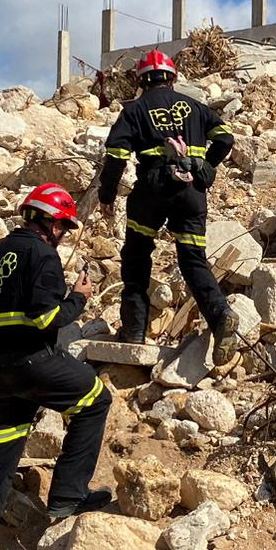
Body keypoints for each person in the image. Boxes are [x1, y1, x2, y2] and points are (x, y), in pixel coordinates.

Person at [0, 182, 109, 550]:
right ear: (50, 221)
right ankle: (67, 497)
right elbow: (46, 320)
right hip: (33, 364)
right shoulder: (43, 256)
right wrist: (78, 298)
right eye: (64, 227)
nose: (65, 234)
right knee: (95, 399)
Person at [98, 49, 239, 363]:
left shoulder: (134, 112)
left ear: (141, 80)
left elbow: (117, 157)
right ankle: (220, 315)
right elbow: (226, 138)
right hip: (191, 191)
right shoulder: (196, 108)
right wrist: (204, 166)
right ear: (173, 78)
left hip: (153, 188)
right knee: (192, 260)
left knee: (136, 255)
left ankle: (134, 331)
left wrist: (106, 197)